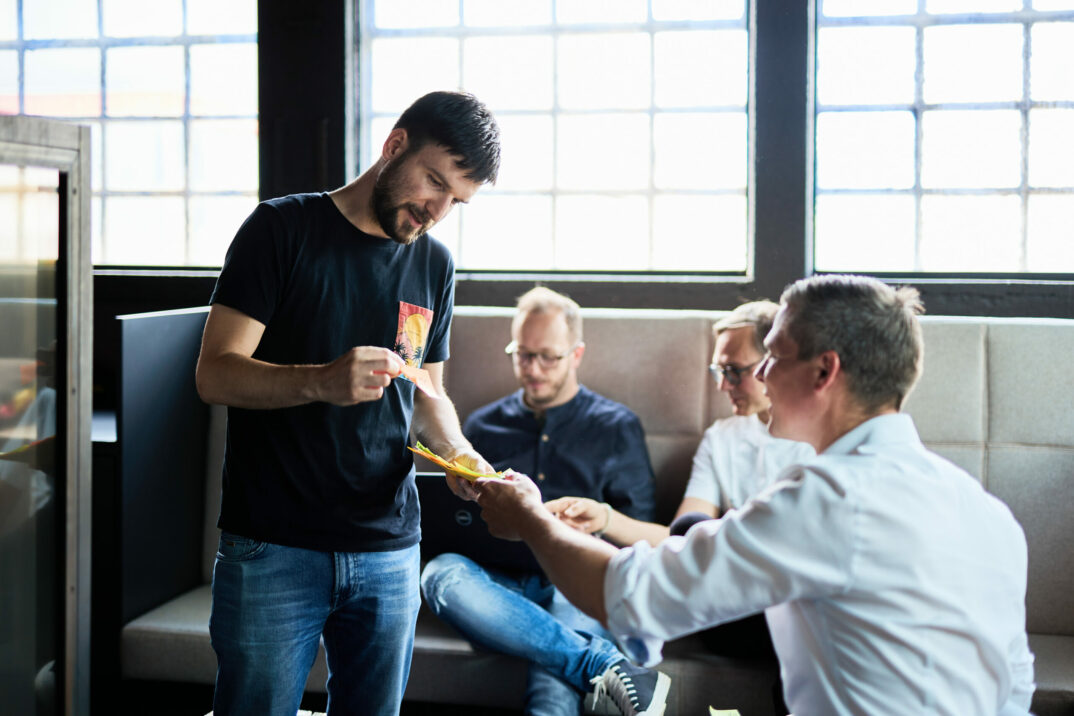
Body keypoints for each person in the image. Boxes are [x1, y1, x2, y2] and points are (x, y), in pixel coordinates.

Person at [475, 274, 1036, 716]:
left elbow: (630, 594)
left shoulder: (829, 499)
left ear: (824, 372)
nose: (761, 375)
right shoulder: (986, 511)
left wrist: (528, 518)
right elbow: (1015, 687)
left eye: (774, 355)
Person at [195, 90, 501, 716]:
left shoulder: (435, 264)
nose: (436, 211)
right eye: (433, 183)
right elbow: (215, 375)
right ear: (394, 147)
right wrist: (321, 381)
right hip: (274, 545)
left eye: (455, 202)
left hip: (389, 550)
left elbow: (426, 393)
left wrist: (463, 458)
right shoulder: (281, 229)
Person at [420, 286, 671, 716]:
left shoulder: (615, 427)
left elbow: (640, 534)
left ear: (576, 354)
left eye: (548, 357)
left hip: (573, 583)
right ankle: (601, 662)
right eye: (522, 354)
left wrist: (597, 523)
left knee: (550, 688)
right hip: (495, 584)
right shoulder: (482, 426)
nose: (532, 369)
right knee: (440, 575)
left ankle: (578, 658)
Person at [548, 300, 813, 672]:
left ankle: (615, 659)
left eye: (735, 372)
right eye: (719, 371)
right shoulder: (722, 439)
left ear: (774, 364)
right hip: (731, 605)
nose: (723, 386)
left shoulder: (819, 441)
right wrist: (604, 518)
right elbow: (681, 538)